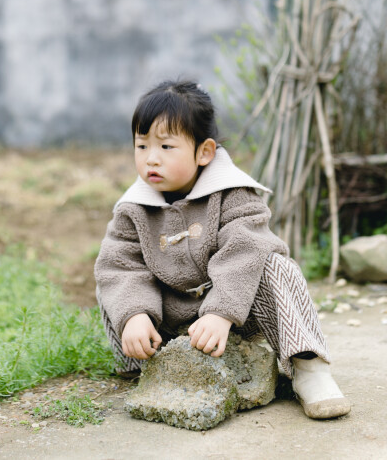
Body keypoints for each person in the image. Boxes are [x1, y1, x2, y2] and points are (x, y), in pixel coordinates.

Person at [94, 79, 350, 419]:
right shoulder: (134, 208)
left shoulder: (233, 194)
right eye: (142, 146)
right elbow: (120, 265)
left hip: (234, 313)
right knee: (113, 277)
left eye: (166, 147)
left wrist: (221, 312)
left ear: (205, 152)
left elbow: (245, 251)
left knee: (274, 264)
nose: (150, 159)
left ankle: (309, 368)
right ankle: (143, 363)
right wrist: (134, 315)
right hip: (168, 321)